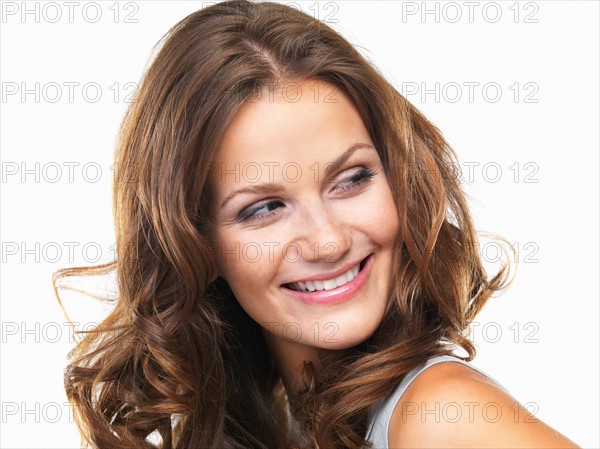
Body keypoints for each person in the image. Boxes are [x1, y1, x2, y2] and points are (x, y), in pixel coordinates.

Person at [53, 1, 580, 448]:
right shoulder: (283, 422)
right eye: (263, 209)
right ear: (196, 243)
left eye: (351, 179)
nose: (328, 241)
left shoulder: (441, 416)